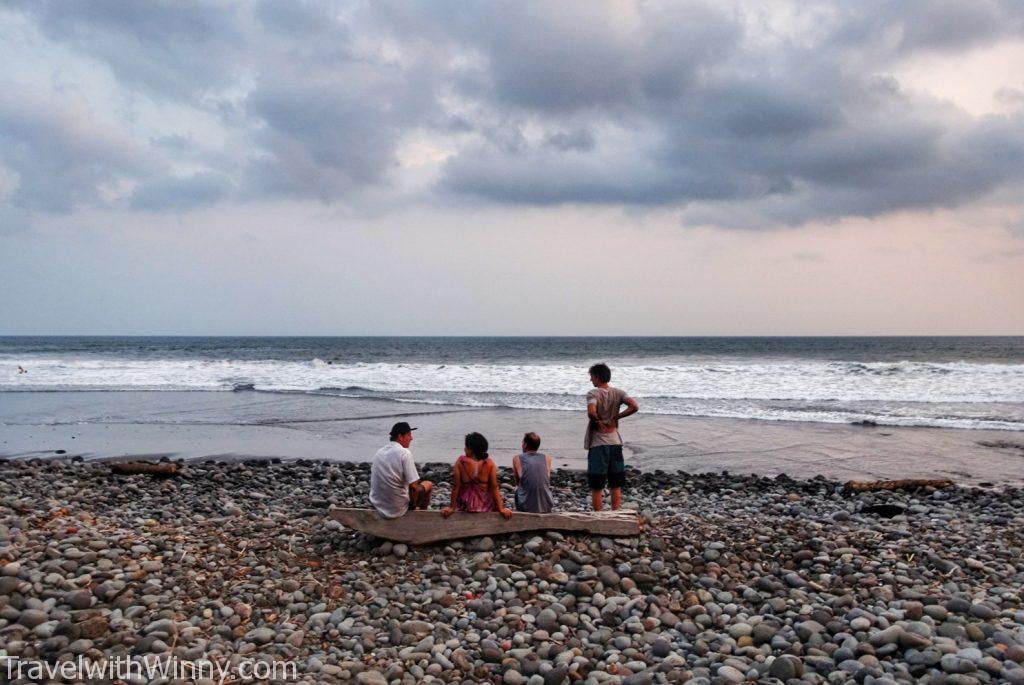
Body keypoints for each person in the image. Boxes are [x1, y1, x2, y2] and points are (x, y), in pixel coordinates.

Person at [585, 363, 639, 511]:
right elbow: (634, 406)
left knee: (597, 485)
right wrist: (617, 416)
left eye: (591, 377)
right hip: (615, 442)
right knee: (616, 483)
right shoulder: (619, 393)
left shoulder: (593, 394)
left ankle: (599, 515)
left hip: (598, 444)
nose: (591, 380)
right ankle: (616, 513)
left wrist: (596, 420)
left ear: (596, 377)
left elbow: (591, 411)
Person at [369, 422, 433, 518]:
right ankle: (420, 517)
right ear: (400, 437)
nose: (411, 438)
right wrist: (412, 505)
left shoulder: (379, 452)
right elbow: (413, 487)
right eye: (409, 435)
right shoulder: (404, 453)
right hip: (396, 509)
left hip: (377, 505)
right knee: (428, 484)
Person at [441, 432, 512, 519]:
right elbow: (494, 487)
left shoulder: (461, 462)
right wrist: (501, 509)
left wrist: (452, 507)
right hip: (485, 506)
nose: (464, 449)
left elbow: (456, 486)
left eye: (466, 446)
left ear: (471, 449)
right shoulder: (489, 463)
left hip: (466, 506)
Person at [513, 432, 554, 513]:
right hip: (546, 505)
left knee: (518, 491)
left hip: (525, 507)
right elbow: (547, 479)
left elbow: (518, 482)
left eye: (523, 443)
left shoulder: (517, 458)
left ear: (525, 445)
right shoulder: (547, 458)